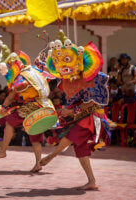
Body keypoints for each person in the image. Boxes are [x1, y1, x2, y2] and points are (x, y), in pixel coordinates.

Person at [40, 30, 110, 190]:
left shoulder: (93, 79)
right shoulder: (69, 80)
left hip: (92, 118)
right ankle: (91, 181)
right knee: (81, 150)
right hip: (80, 116)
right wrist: (67, 110)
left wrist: (72, 112)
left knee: (73, 134)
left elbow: (94, 105)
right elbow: (75, 101)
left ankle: (52, 155)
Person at [0, 40, 55, 173]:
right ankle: (38, 164)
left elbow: (10, 96)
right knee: (34, 137)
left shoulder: (20, 80)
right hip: (44, 106)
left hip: (32, 106)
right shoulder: (34, 71)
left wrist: (3, 107)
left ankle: (3, 151)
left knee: (9, 122)